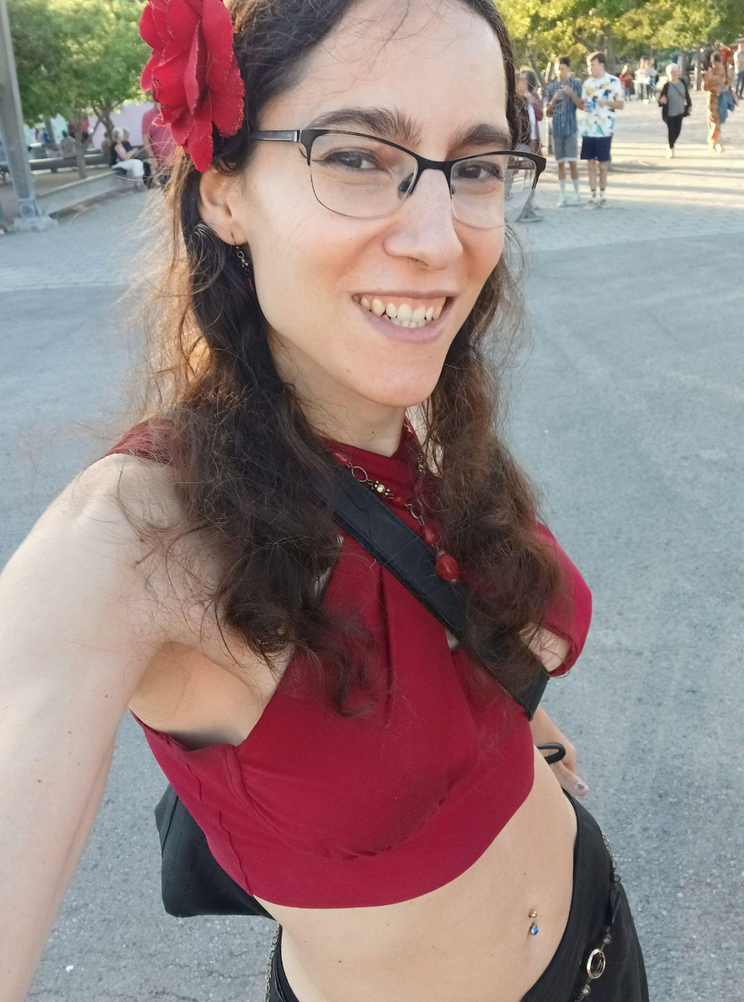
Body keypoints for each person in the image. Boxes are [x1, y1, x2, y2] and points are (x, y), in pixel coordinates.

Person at [0, 3, 651, 1002]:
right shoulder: (133, 540)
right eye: (356, 157)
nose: (439, 241)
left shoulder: (428, 416)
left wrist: (527, 735)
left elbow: (458, 649)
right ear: (225, 193)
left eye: (474, 167)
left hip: (603, 937)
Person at [572, 51, 625, 207]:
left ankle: (602, 195)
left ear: (601, 65)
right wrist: (584, 105)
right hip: (589, 128)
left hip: (605, 128)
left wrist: (606, 103)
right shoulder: (588, 83)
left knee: (602, 164)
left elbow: (621, 104)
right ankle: (593, 195)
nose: (590, 69)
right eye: (589, 66)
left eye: (593, 65)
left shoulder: (614, 81)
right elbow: (583, 105)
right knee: (590, 163)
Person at [545, 56, 583, 206]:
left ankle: (577, 194)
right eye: (558, 69)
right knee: (560, 163)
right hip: (557, 130)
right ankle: (562, 195)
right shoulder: (552, 87)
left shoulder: (576, 83)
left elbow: (581, 105)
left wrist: (571, 93)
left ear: (568, 69)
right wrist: (554, 100)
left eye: (563, 69)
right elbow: (547, 112)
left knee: (573, 162)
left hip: (571, 128)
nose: (560, 72)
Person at [515, 71, 544, 221]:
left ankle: (528, 208)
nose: (520, 83)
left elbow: (540, 116)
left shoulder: (534, 98)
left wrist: (531, 101)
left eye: (523, 80)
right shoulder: (514, 100)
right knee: (519, 177)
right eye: (519, 80)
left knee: (532, 176)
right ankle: (520, 211)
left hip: (534, 143)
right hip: (521, 144)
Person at [702, 52, 734, 153]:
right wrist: (713, 88)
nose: (715, 65)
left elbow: (730, 83)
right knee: (715, 121)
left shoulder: (726, 70)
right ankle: (717, 143)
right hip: (712, 99)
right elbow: (704, 87)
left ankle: (713, 142)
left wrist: (724, 87)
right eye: (714, 63)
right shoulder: (709, 72)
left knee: (719, 120)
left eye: (717, 63)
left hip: (723, 98)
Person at [658, 63, 691, 158]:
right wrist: (662, 101)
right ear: (668, 73)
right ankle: (670, 147)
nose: (674, 74)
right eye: (672, 72)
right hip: (669, 112)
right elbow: (661, 100)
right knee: (671, 130)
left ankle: (671, 143)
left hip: (680, 111)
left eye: (675, 72)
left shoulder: (682, 82)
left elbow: (687, 95)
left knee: (678, 130)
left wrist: (689, 105)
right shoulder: (666, 86)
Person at [141, 99, 177, 184]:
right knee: (167, 190)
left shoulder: (173, 112)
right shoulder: (148, 116)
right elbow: (145, 137)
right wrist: (151, 156)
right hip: (161, 162)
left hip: (177, 160)